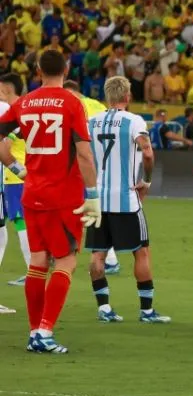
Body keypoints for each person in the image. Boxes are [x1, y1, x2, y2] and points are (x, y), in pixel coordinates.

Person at [0, 49, 101, 354]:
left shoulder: (25, 102)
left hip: (33, 193)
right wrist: (93, 195)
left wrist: (16, 167)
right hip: (64, 196)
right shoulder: (72, 102)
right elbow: (83, 153)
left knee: (38, 262)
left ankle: (35, 332)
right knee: (67, 260)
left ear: (38, 71)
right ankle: (44, 331)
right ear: (66, 69)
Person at [84, 76, 170, 324]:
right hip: (125, 198)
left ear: (107, 96)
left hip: (97, 199)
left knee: (97, 254)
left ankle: (104, 308)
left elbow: (82, 155)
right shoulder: (134, 120)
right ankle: (146, 311)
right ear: (127, 97)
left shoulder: (92, 122)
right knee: (141, 252)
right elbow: (148, 152)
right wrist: (147, 180)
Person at [66, 79, 120, 275]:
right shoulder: (98, 106)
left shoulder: (72, 105)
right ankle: (110, 258)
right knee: (94, 213)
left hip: (80, 166)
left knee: (82, 212)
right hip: (97, 165)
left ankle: (63, 252)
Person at [0, 74, 32, 288]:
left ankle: (33, 271)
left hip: (16, 177)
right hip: (19, 175)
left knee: (21, 224)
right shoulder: (27, 109)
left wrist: (21, 172)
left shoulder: (14, 113)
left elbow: (6, 148)